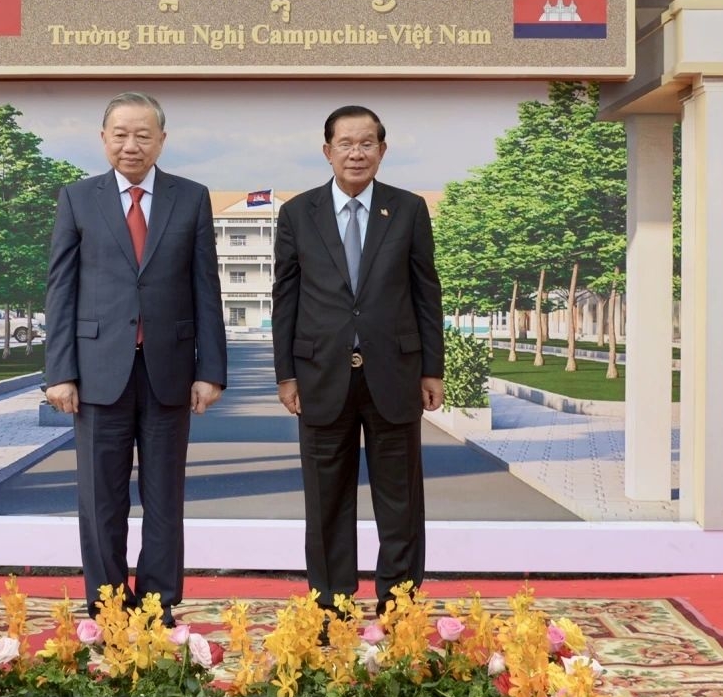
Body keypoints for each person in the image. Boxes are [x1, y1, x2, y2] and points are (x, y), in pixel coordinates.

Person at [43, 91, 227, 626]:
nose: (131, 145)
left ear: (162, 141)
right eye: (120, 134)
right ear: (103, 139)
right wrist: (60, 372)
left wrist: (210, 370)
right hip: (98, 373)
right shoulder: (78, 198)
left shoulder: (190, 198)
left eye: (143, 135)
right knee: (100, 500)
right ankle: (105, 606)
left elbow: (205, 287)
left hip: (169, 372)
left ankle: (157, 604)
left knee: (164, 498)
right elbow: (61, 288)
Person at [272, 104, 444, 617]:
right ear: (327, 151)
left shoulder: (408, 209)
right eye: (345, 143)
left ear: (382, 150)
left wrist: (431, 368)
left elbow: (424, 293)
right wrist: (286, 374)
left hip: (395, 376)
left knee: (401, 505)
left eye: (367, 143)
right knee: (326, 504)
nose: (356, 153)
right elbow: (286, 298)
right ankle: (332, 611)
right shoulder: (298, 213)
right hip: (320, 377)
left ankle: (400, 611)